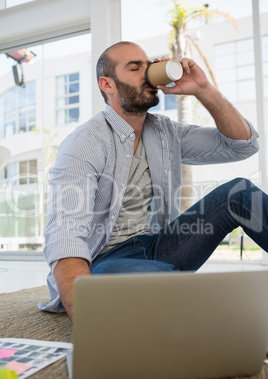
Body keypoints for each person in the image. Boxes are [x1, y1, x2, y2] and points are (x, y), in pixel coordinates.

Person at [38, 41, 268, 321]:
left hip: (160, 246)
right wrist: (86, 321)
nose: (147, 74)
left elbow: (242, 145)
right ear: (107, 84)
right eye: (135, 68)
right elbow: (66, 234)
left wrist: (202, 89)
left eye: (148, 67)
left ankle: (169, 293)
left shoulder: (166, 132)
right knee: (127, 278)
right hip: (106, 262)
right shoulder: (85, 142)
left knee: (239, 192)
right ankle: (182, 302)